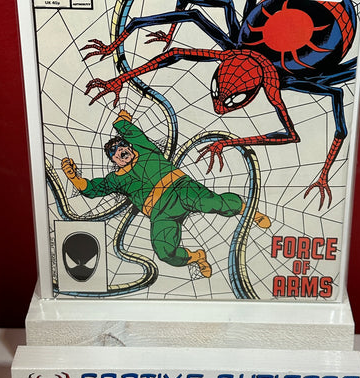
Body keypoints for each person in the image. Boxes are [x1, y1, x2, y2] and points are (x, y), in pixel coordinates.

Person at [62, 110, 270, 278]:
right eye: (114, 153)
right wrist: (74, 177)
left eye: (121, 147)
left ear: (130, 147)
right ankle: (197, 257)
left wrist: (122, 122)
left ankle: (249, 211)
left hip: (180, 189)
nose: (119, 152)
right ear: (114, 161)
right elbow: (92, 189)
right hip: (160, 214)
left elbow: (133, 133)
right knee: (164, 251)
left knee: (212, 203)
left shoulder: (145, 150)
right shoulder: (116, 179)